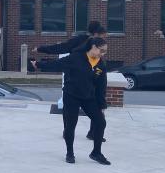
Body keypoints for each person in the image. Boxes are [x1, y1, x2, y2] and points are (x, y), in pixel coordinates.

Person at [32, 37, 110, 165]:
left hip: (88, 97)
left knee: (100, 122)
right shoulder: (76, 58)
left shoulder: (100, 64)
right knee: (70, 125)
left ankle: (96, 153)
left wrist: (101, 105)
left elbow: (101, 86)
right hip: (71, 96)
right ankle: (70, 153)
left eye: (105, 52)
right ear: (93, 47)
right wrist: (39, 65)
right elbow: (57, 64)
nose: (102, 54)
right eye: (101, 51)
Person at [34, 21, 108, 56]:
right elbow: (61, 48)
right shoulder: (80, 41)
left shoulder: (98, 48)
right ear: (96, 34)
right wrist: (41, 49)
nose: (104, 39)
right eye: (103, 36)